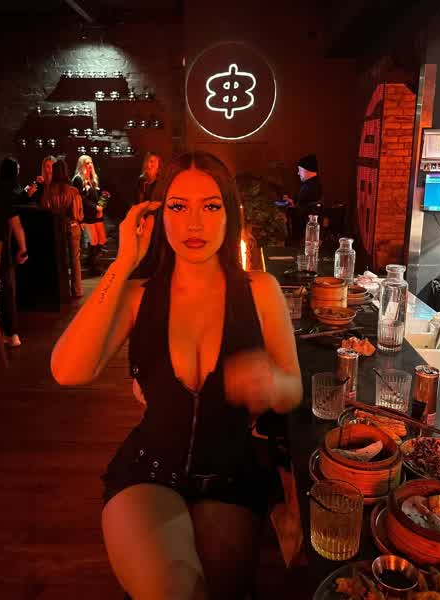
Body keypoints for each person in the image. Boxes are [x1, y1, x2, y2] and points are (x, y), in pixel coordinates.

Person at [51, 151, 302, 600]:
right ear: (157, 214)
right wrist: (122, 263)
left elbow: (293, 388)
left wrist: (271, 383)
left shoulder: (261, 291)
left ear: (229, 213)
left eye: (210, 206)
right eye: (179, 206)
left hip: (231, 480)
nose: (194, 223)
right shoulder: (138, 296)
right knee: (174, 590)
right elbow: (67, 371)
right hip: (147, 473)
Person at [0, 157, 28, 347]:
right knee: (7, 289)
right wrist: (23, 248)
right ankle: (11, 333)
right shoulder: (7, 192)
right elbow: (15, 222)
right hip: (2, 246)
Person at [42, 159, 84, 298]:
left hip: (56, 227)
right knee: (75, 260)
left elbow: (44, 208)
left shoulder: (48, 190)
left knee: (60, 260)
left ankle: (62, 291)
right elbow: (79, 215)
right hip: (72, 226)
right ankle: (77, 291)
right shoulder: (73, 191)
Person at [72, 155, 107, 276]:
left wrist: (101, 206)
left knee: (102, 239)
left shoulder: (94, 178)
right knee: (94, 240)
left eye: (91, 162)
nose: (90, 165)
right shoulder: (78, 179)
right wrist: (95, 207)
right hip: (87, 214)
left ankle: (91, 262)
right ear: (81, 165)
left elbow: (101, 194)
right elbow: (80, 199)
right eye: (87, 163)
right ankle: (94, 267)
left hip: (96, 213)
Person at [284, 154, 323, 243]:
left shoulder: (309, 187)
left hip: (306, 234)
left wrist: (292, 209)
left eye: (300, 170)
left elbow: (305, 210)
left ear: (307, 170)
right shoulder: (312, 185)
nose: (298, 173)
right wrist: (293, 203)